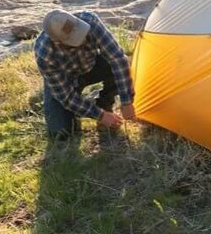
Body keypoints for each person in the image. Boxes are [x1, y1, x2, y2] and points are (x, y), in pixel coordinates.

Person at [34, 8, 137, 140]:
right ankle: (87, 110)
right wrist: (100, 115)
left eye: (80, 32)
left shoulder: (89, 21)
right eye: (74, 39)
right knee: (61, 133)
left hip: (91, 66)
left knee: (114, 66)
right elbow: (67, 97)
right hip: (66, 80)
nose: (82, 38)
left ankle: (104, 104)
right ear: (58, 42)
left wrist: (126, 102)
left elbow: (117, 59)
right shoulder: (45, 54)